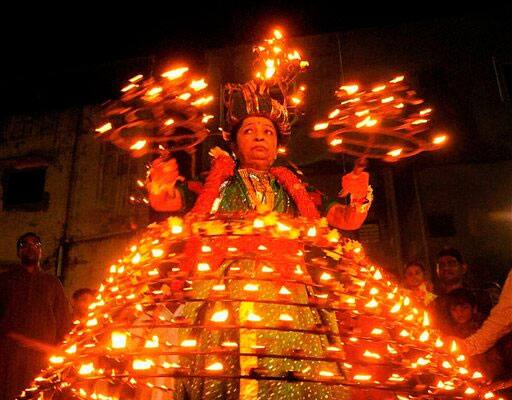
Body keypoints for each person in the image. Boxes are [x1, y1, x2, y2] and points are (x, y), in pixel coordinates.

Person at [0, 233, 71, 400]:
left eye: (35, 244)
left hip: (42, 353)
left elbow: (62, 317)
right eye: (24, 245)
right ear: (19, 252)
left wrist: (62, 347)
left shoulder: (52, 283)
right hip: (10, 353)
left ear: (41, 251)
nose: (30, 248)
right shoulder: (4, 281)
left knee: (40, 393)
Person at [429, 248, 493, 332]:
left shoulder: (481, 297)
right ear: (437, 271)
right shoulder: (435, 304)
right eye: (441, 265)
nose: (446, 268)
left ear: (463, 268)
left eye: (451, 263)